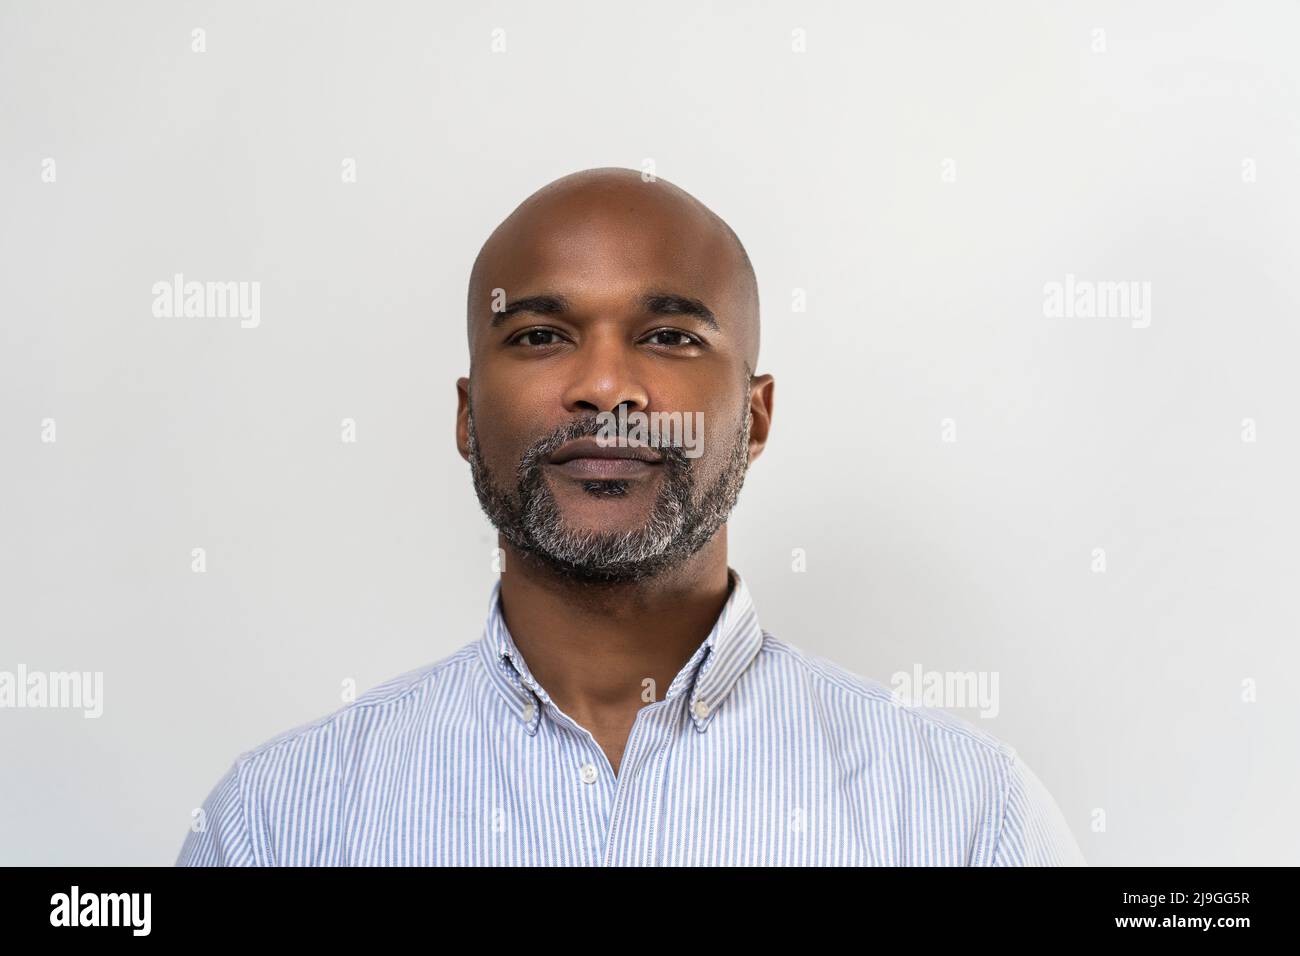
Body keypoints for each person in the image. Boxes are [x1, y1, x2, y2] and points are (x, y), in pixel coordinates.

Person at [177, 167, 1084, 866]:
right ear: (465, 415)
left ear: (756, 416)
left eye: (669, 337)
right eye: (539, 335)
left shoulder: (967, 818)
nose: (606, 386)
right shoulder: (277, 823)